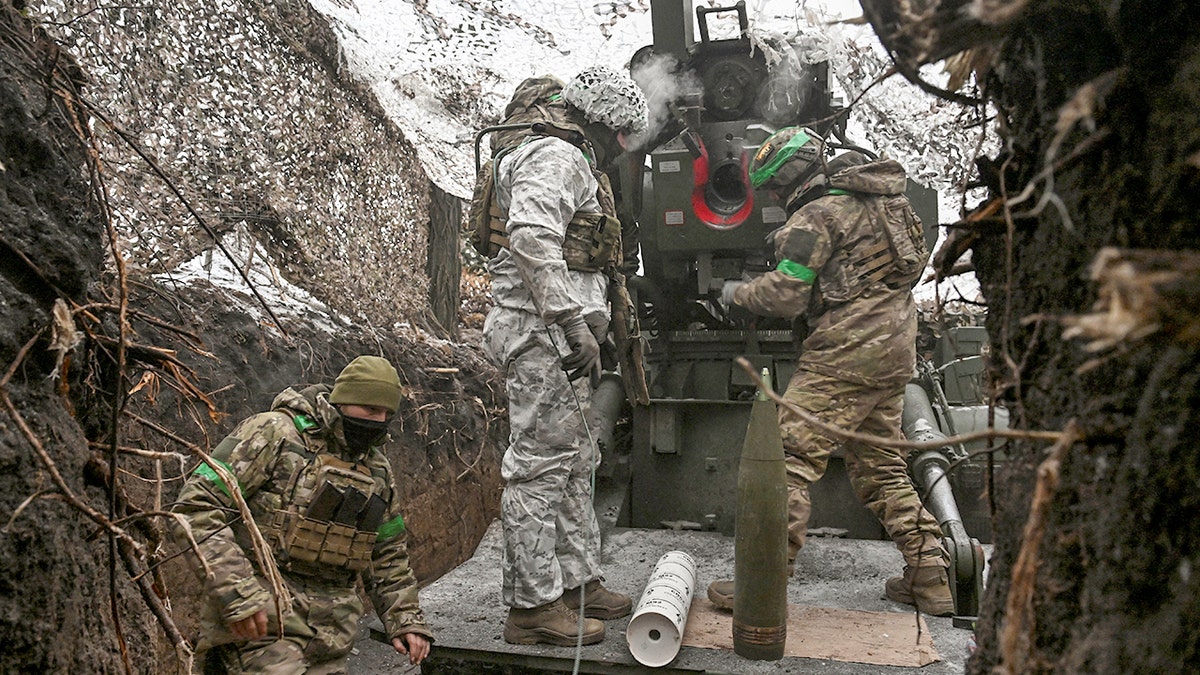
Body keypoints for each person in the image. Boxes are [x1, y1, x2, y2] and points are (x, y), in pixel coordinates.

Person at [707, 127, 955, 617]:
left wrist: (735, 292)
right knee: (881, 466)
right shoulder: (894, 207)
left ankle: (761, 584)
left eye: (777, 187)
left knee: (785, 461)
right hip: (894, 353)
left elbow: (785, 295)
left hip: (841, 357)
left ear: (795, 176)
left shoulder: (818, 215)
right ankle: (930, 577)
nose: (777, 197)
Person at [480, 65, 649, 646]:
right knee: (538, 469)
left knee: (577, 461)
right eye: (624, 133)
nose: (625, 147)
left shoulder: (570, 155)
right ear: (603, 120)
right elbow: (531, 235)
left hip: (561, 337)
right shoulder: (556, 156)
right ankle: (531, 607)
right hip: (540, 335)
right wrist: (570, 319)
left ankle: (575, 583)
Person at [171, 355, 433, 673]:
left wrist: (405, 620)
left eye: (387, 414)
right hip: (262, 626)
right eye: (370, 410)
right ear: (344, 400)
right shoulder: (274, 434)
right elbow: (198, 506)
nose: (378, 421)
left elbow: (387, 553)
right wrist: (239, 593)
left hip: (332, 638)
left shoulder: (376, 468)